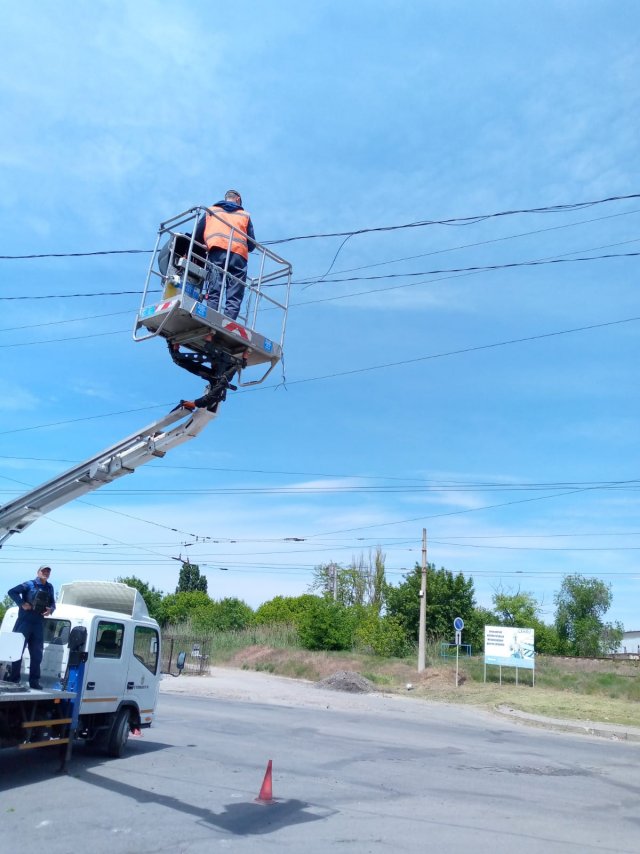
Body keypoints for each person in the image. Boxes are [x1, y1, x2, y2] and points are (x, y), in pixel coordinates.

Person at [202, 189, 255, 321]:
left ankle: (211, 317)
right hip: (238, 255)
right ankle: (229, 322)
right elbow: (252, 244)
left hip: (217, 251)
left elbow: (198, 233)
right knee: (235, 291)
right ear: (238, 199)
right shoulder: (244, 215)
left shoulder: (212, 211)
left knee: (214, 285)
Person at [7, 565, 56, 689]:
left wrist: (50, 610)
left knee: (37, 654)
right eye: (43, 571)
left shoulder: (50, 587)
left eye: (48, 572)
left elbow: (53, 604)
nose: (45, 573)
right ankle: (14, 679)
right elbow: (12, 592)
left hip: (38, 623)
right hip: (24, 622)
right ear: (38, 572)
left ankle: (34, 682)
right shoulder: (28, 584)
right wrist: (22, 604)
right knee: (17, 651)